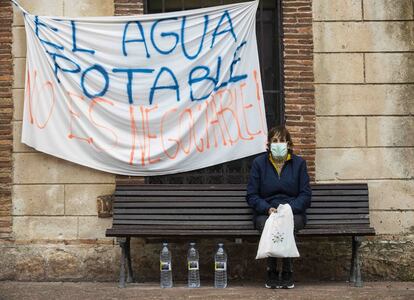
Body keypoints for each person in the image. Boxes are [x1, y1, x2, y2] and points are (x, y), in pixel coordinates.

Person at [246, 125, 311, 289]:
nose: (278, 144)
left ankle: (288, 269)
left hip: (292, 211)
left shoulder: (299, 164)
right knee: (266, 223)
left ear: (288, 144)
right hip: (267, 211)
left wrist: (289, 208)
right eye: (274, 141)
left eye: (282, 140)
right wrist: (267, 208)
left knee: (290, 222)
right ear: (268, 144)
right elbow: (252, 195)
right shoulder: (259, 163)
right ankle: (272, 270)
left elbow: (305, 195)